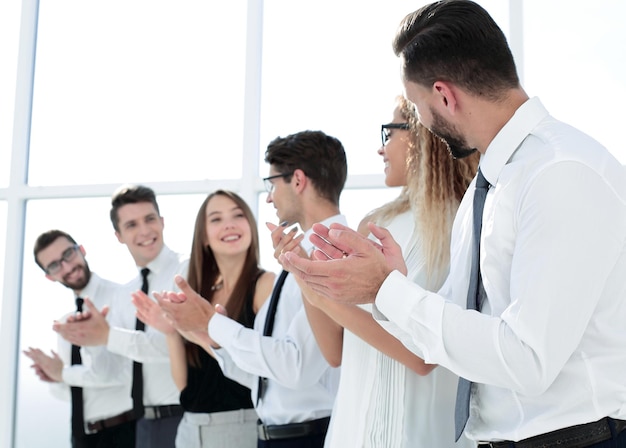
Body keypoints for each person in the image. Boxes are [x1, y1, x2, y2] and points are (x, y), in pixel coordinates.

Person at [280, 1, 626, 447]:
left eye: (419, 107)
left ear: (444, 96)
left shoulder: (560, 172)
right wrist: (388, 284)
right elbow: (451, 329)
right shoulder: (490, 188)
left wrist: (386, 290)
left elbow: (528, 360)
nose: (423, 123)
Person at [293, 96, 478, 447]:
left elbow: (423, 358)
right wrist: (307, 278)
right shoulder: (375, 223)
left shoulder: (464, 225)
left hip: (421, 436)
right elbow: (335, 351)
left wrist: (324, 296)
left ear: (424, 133)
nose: (381, 150)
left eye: (388, 133)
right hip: (353, 433)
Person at [155, 130, 348, 448]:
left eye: (272, 184)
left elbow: (296, 368)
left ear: (297, 181)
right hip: (275, 436)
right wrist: (206, 336)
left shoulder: (326, 254)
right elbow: (266, 379)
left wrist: (211, 323)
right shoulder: (300, 255)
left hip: (308, 436)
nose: (269, 197)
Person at [131, 190, 275, 447]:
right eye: (216, 219)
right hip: (189, 428)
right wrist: (171, 331)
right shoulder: (200, 294)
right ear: (204, 237)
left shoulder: (265, 285)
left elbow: (264, 370)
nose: (229, 224)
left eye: (238, 215)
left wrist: (201, 334)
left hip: (240, 425)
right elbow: (184, 385)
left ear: (251, 226)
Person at [54, 185, 189, 448]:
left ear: (162, 221)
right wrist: (92, 341)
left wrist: (108, 336)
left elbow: (180, 347)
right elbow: (120, 369)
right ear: (119, 235)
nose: (144, 231)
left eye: (150, 219)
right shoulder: (125, 294)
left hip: (181, 416)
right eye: (131, 225)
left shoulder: (186, 271)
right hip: (142, 425)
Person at [24, 229, 136, 448]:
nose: (67, 267)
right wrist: (56, 379)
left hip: (125, 432)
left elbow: (126, 375)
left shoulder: (122, 299)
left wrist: (64, 374)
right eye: (55, 265)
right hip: (83, 436)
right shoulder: (66, 322)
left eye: (68, 254)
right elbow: (75, 391)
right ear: (49, 276)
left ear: (81, 250)